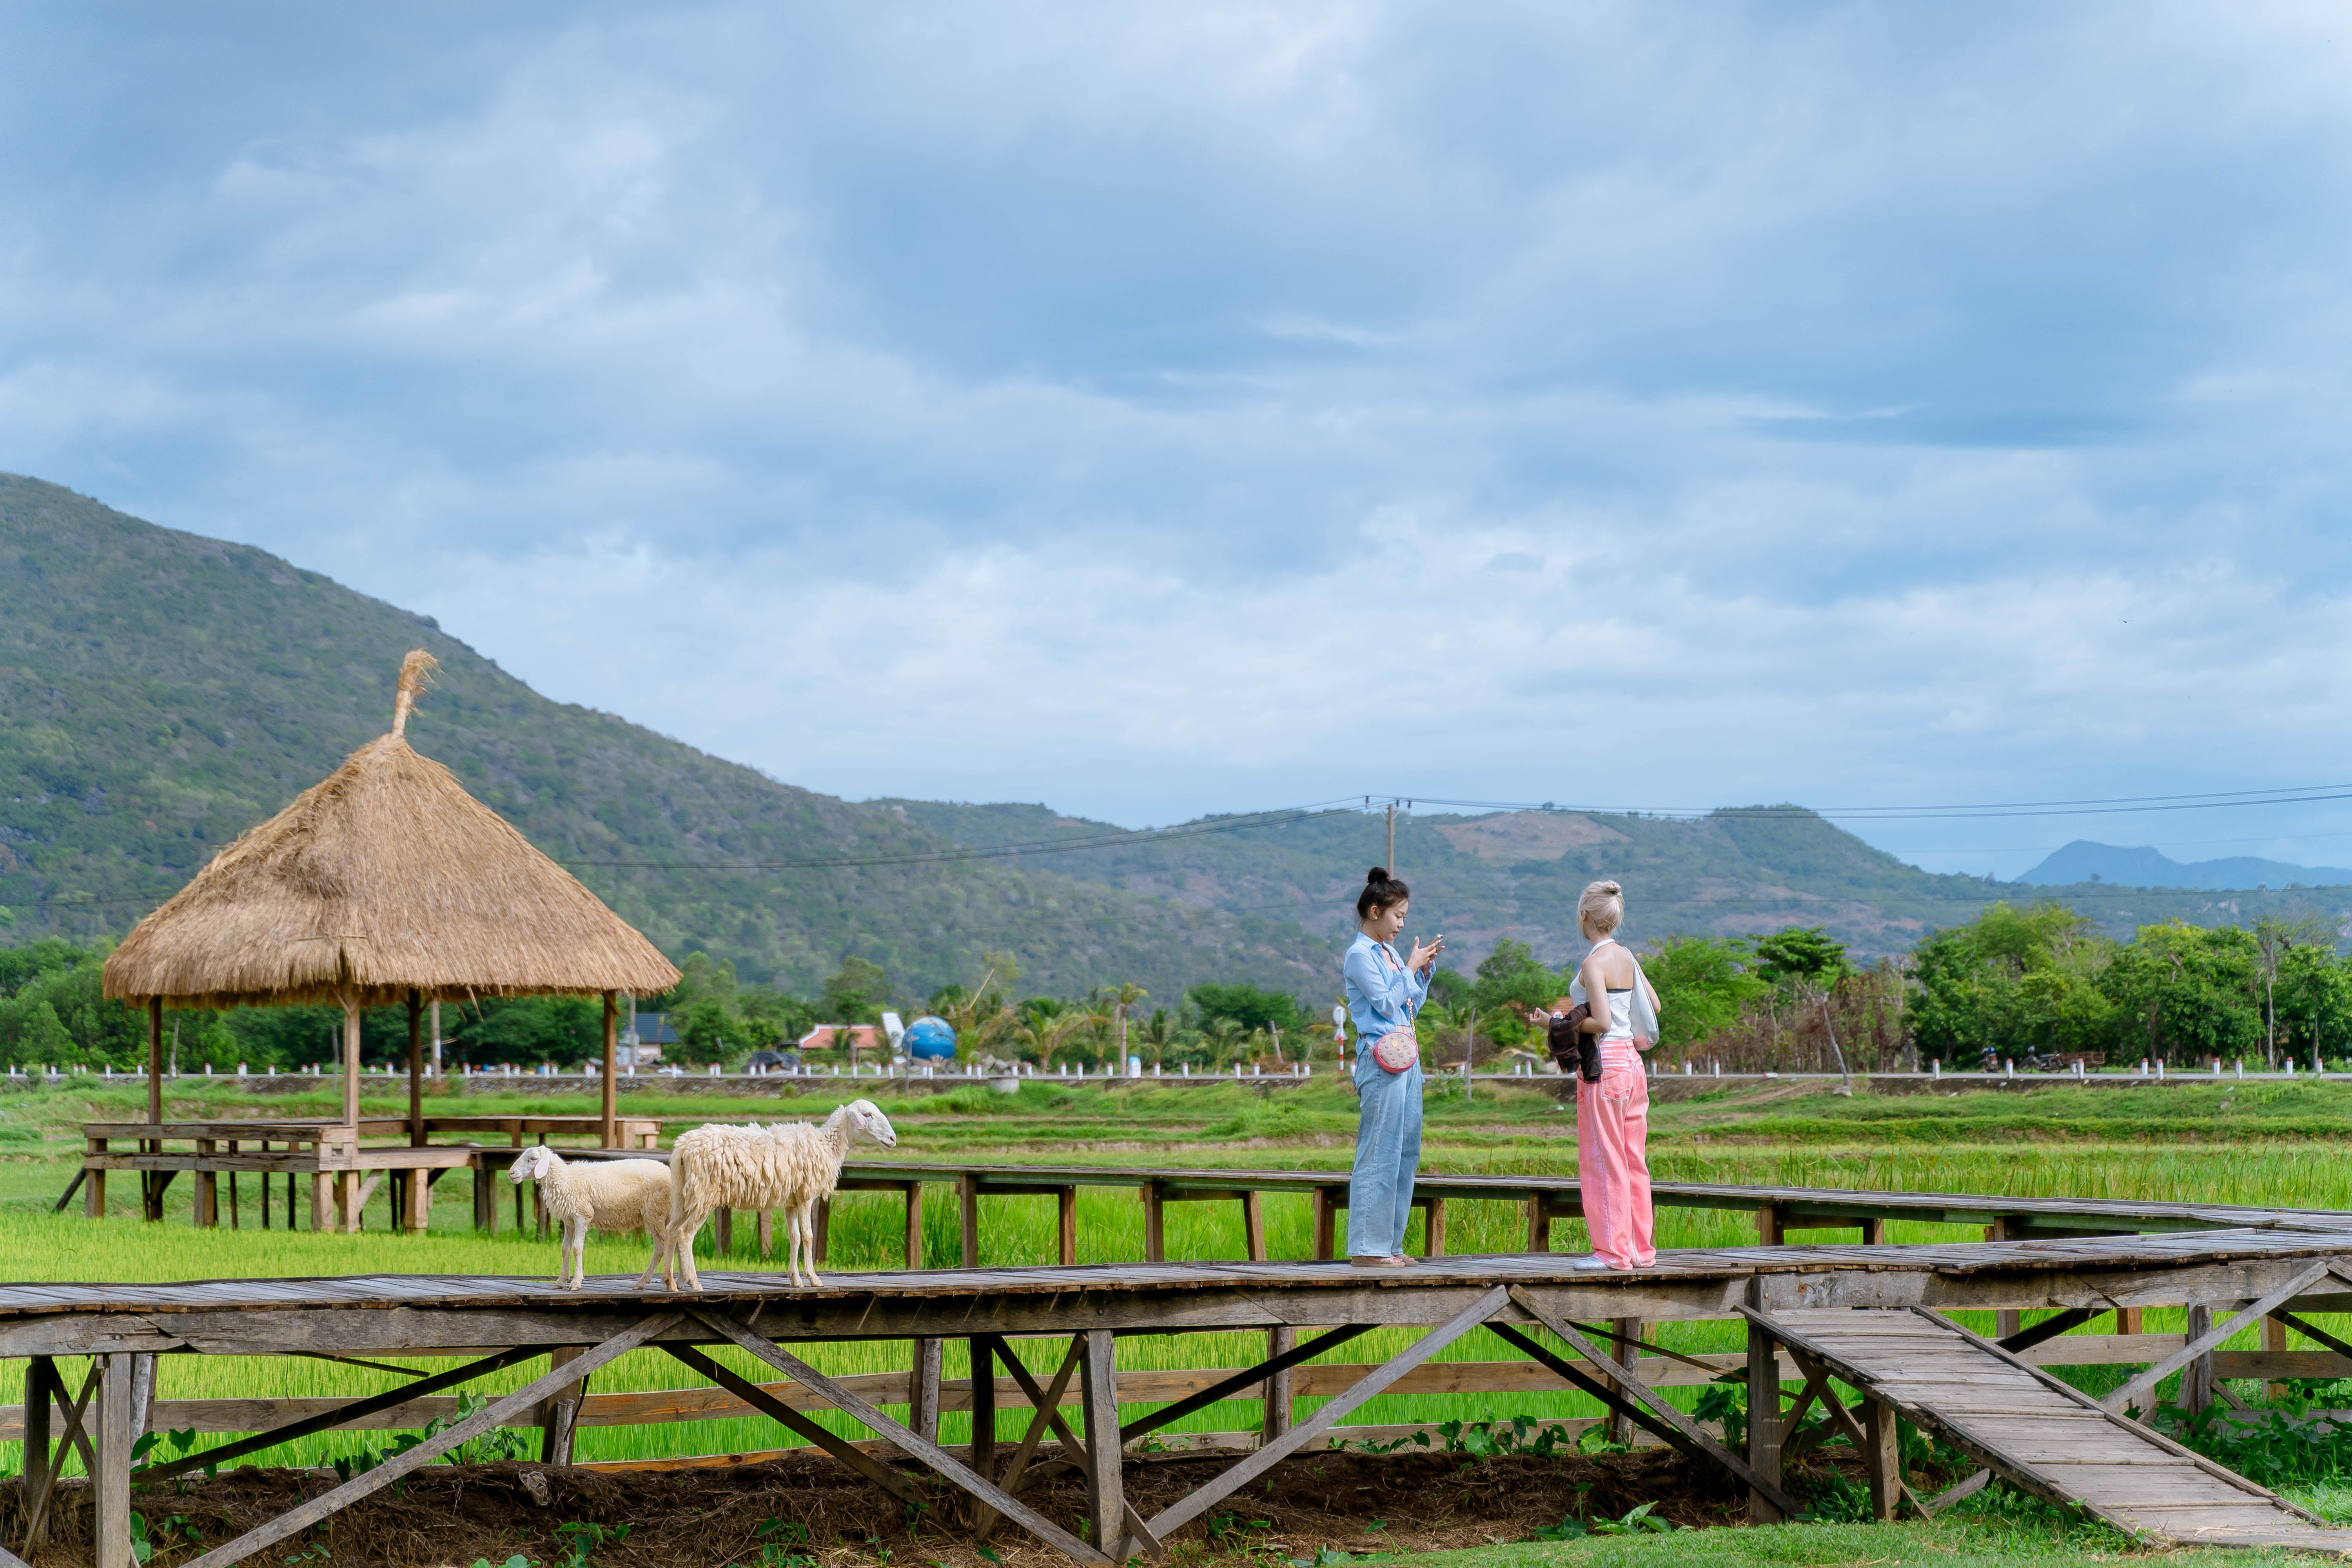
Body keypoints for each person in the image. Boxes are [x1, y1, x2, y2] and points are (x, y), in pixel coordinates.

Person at [1342, 866, 1442, 1268]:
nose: (1402, 924)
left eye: (1404, 916)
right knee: (1379, 1151)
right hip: (1380, 1059)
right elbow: (1385, 1004)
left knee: (1404, 1151)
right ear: (1375, 911)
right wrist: (1411, 968)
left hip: (1406, 1059)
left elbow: (1409, 1006)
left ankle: (1390, 1245)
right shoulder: (1359, 955)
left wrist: (1423, 972)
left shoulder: (1391, 953)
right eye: (1398, 915)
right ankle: (1368, 1249)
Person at [1562, 879, 1661, 1270]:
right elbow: (1654, 1005)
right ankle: (1641, 1250)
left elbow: (1601, 1022)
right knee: (1633, 1159)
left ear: (1584, 916)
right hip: (1633, 1065)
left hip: (1604, 1065)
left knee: (1603, 1159)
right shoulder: (1626, 956)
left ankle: (1612, 1252)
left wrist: (1559, 1022)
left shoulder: (1593, 963)